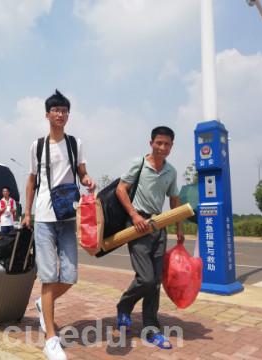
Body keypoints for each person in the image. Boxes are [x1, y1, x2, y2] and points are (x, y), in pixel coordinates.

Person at [23, 90, 95, 360]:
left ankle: (44, 303)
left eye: (65, 110)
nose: (61, 114)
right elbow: (31, 181)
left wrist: (87, 180)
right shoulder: (37, 145)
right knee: (49, 275)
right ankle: (51, 339)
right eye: (56, 110)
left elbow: (82, 172)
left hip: (67, 215)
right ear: (47, 114)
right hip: (43, 215)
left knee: (71, 275)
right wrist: (26, 212)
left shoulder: (75, 144)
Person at [115, 126, 184, 350]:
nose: (163, 148)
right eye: (159, 143)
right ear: (151, 143)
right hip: (138, 225)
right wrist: (134, 215)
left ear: (171, 146)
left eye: (167, 144)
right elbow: (120, 190)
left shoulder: (171, 171)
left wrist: (178, 227)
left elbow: (174, 201)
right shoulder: (140, 164)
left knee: (155, 282)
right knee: (146, 279)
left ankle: (151, 329)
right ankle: (124, 306)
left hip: (159, 226)